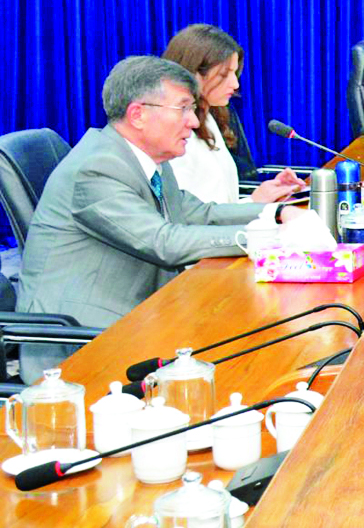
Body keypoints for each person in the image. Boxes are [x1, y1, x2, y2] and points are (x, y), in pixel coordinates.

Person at [17, 56, 307, 381]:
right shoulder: (96, 168)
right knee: (245, 358)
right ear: (138, 114)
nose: (193, 122)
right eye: (183, 109)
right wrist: (273, 238)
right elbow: (164, 242)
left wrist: (278, 213)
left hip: (143, 313)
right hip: (83, 342)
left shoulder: (148, 158)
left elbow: (200, 213)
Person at [162, 23, 305, 205]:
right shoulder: (174, 135)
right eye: (224, 75)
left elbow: (221, 206)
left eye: (234, 73)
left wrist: (262, 196)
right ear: (193, 73)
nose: (235, 84)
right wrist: (256, 204)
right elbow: (189, 216)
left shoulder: (209, 117)